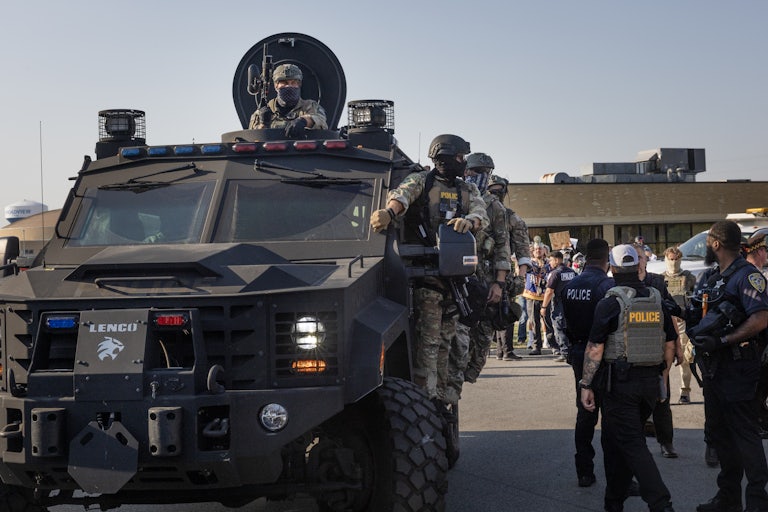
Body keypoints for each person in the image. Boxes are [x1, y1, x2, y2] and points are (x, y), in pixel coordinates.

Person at [369, 134, 488, 414]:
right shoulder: (422, 181)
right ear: (446, 157)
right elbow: (403, 196)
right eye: (460, 158)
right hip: (428, 281)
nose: (463, 164)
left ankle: (443, 404)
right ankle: (427, 404)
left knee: (447, 345)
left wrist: (468, 221)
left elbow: (480, 214)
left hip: (455, 281)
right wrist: (389, 212)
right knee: (429, 346)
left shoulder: (468, 189)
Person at [580, 244, 677, 512]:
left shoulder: (610, 303)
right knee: (614, 442)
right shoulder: (657, 299)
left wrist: (586, 384)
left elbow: (596, 348)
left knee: (632, 444)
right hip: (649, 382)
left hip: (619, 385)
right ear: (637, 267)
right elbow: (670, 342)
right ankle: (614, 501)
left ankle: (660, 502)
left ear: (612, 269)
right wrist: (663, 377)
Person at [687, 221, 768, 512]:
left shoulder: (747, 277)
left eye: (709, 240)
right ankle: (728, 498)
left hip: (738, 367)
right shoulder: (712, 277)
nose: (707, 245)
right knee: (721, 435)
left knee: (745, 435)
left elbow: (760, 319)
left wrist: (724, 339)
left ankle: (758, 502)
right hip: (713, 369)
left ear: (716, 244)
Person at [560, 238, 614, 488]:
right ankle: (618, 475)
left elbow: (558, 320)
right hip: (603, 353)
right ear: (607, 259)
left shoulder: (571, 284)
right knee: (612, 416)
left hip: (578, 351)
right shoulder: (607, 286)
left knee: (585, 413)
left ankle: (584, 471)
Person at [457, 152, 511, 384]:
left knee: (480, 348)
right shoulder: (454, 195)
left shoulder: (493, 206)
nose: (476, 176)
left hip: (485, 281)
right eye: (473, 171)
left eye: (482, 173)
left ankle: (463, 378)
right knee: (455, 346)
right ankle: (451, 388)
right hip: (455, 279)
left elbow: (502, 246)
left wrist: (499, 283)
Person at [636, 244, 680, 459]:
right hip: (632, 350)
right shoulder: (619, 282)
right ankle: (637, 445)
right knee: (635, 402)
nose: (638, 262)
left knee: (662, 398)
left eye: (641, 257)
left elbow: (670, 312)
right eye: (633, 258)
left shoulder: (656, 282)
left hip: (657, 349)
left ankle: (667, 442)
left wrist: (678, 346)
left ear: (646, 259)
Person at [487, 175, 532, 360]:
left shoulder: (511, 217)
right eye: (492, 191)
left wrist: (520, 278)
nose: (496, 196)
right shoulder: (476, 211)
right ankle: (500, 350)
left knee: (504, 313)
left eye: (499, 191)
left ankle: (505, 350)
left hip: (501, 274)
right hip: (476, 273)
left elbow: (523, 250)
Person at [248, 63, 328, 137]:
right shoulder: (264, 111)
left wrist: (304, 121)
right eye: (284, 82)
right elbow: (253, 137)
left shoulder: (309, 106)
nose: (288, 86)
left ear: (299, 85)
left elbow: (321, 121)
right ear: (276, 85)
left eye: (293, 82)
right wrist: (263, 124)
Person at [661, 246, 697, 404]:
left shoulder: (688, 278)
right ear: (666, 259)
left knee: (685, 360)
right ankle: (663, 392)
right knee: (664, 361)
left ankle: (685, 391)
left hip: (683, 324)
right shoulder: (660, 279)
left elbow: (695, 301)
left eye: (676, 259)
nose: (674, 262)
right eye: (671, 259)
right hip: (666, 325)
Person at [742, 229, 768, 439]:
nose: (767, 255)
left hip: (758, 341)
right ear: (759, 252)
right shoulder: (752, 276)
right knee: (757, 386)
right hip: (755, 342)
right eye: (765, 251)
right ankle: (756, 422)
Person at [541, 250, 576, 363]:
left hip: (559, 303)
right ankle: (571, 351)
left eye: (551, 260)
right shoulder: (572, 272)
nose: (550, 263)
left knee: (559, 327)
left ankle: (565, 353)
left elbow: (549, 291)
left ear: (556, 260)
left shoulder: (555, 273)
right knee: (570, 327)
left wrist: (544, 307)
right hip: (571, 303)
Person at [523, 239, 551, 355]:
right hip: (532, 295)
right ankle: (536, 346)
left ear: (545, 250)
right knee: (534, 322)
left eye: (540, 249)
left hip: (546, 296)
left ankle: (552, 344)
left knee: (548, 321)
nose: (538, 251)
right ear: (532, 252)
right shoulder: (528, 263)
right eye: (535, 249)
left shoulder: (550, 263)